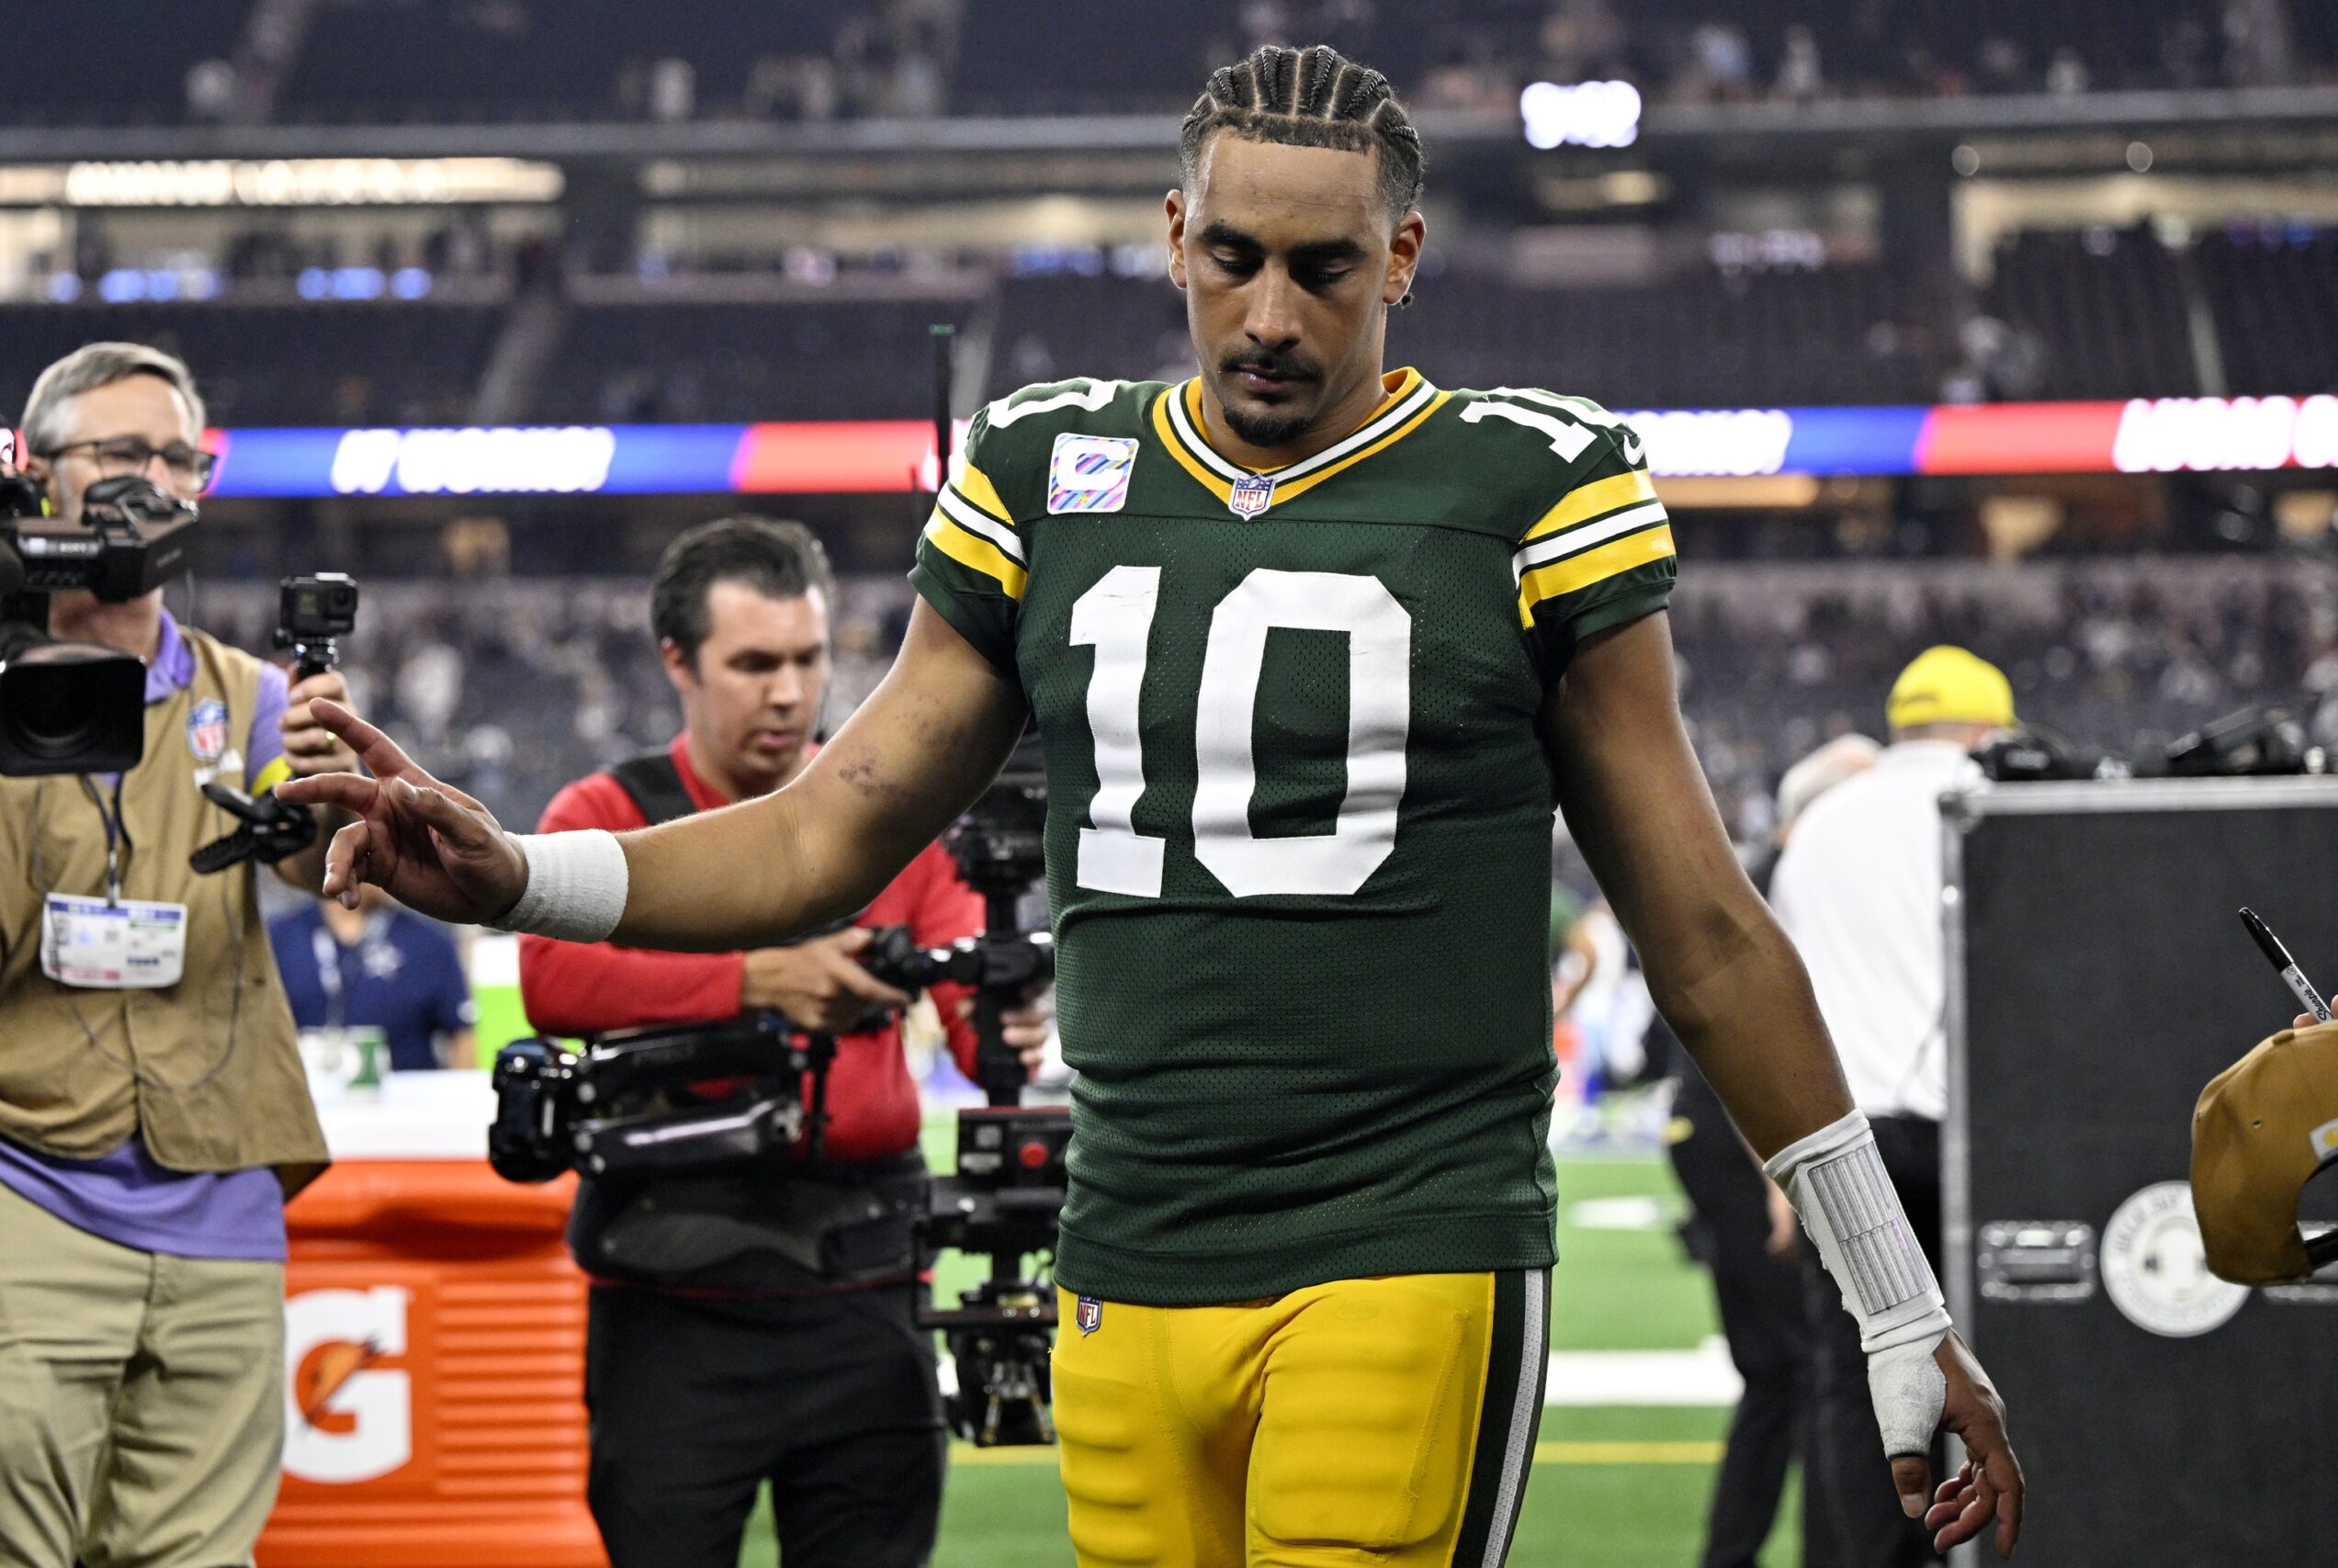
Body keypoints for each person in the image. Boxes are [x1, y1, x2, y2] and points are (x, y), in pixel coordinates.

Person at [285, 45, 2025, 1566]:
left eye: (1327, 270)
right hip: (1123, 1246)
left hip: (1403, 1232)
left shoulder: (1531, 476)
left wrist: (1895, 1295)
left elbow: (1704, 925)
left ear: (1404, 257)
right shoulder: (1050, 467)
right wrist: (518, 871)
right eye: (1239, 259)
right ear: (1172, 237)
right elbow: (829, 831)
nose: (1272, 315)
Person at [513, 517, 1045, 1568]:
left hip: (867, 1294)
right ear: (679, 662)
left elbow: (985, 1045)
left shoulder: (897, 813)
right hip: (672, 1301)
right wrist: (758, 978)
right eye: (753, 664)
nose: (789, 694)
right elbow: (553, 979)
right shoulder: (609, 809)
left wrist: (1007, 1015)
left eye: (807, 660)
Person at [0, 342, 362, 1568]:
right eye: (114, 453)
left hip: (219, 1200)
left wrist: (326, 774)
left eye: (173, 457)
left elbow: (316, 866)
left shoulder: (254, 695)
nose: (146, 482)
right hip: (28, 1190)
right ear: (32, 471)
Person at [1768, 648, 2013, 1568]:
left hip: (1838, 1142)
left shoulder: (1822, 822)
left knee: (1856, 1376)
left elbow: (1784, 1001)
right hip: (1966, 1130)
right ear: (1990, 730)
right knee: (1998, 1357)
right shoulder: (1989, 801)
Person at [1660, 732, 1880, 1568]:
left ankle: (1739, 1553)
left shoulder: (1762, 873)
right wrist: (1783, 1175)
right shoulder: (1788, 883)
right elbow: (1755, 1041)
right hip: (1747, 1136)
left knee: (1782, 1371)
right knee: (1819, 1363)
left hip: (1723, 1133)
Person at [268, 882, 477, 1070]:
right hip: (307, 1101)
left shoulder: (429, 942)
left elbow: (462, 1036)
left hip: (407, 1105)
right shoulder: (280, 938)